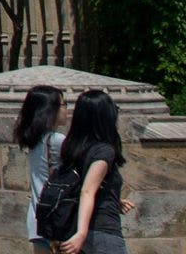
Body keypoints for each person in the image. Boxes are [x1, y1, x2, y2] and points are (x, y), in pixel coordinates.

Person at [54, 89, 128, 254]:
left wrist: (115, 200)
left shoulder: (73, 148)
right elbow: (87, 191)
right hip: (101, 232)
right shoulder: (104, 152)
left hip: (73, 229)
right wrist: (82, 233)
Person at [13, 84, 66, 253]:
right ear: (51, 110)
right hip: (58, 220)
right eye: (64, 105)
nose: (67, 110)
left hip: (38, 219)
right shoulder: (57, 140)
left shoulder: (35, 140)